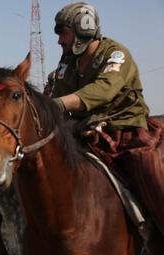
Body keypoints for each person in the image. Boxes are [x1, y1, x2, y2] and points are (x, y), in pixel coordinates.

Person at [51, 2, 164, 234]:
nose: (59, 40)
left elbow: (104, 90)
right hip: (83, 130)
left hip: (125, 130)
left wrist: (58, 104)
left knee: (150, 173)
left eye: (63, 32)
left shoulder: (115, 54)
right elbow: (57, 97)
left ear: (82, 30)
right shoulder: (66, 63)